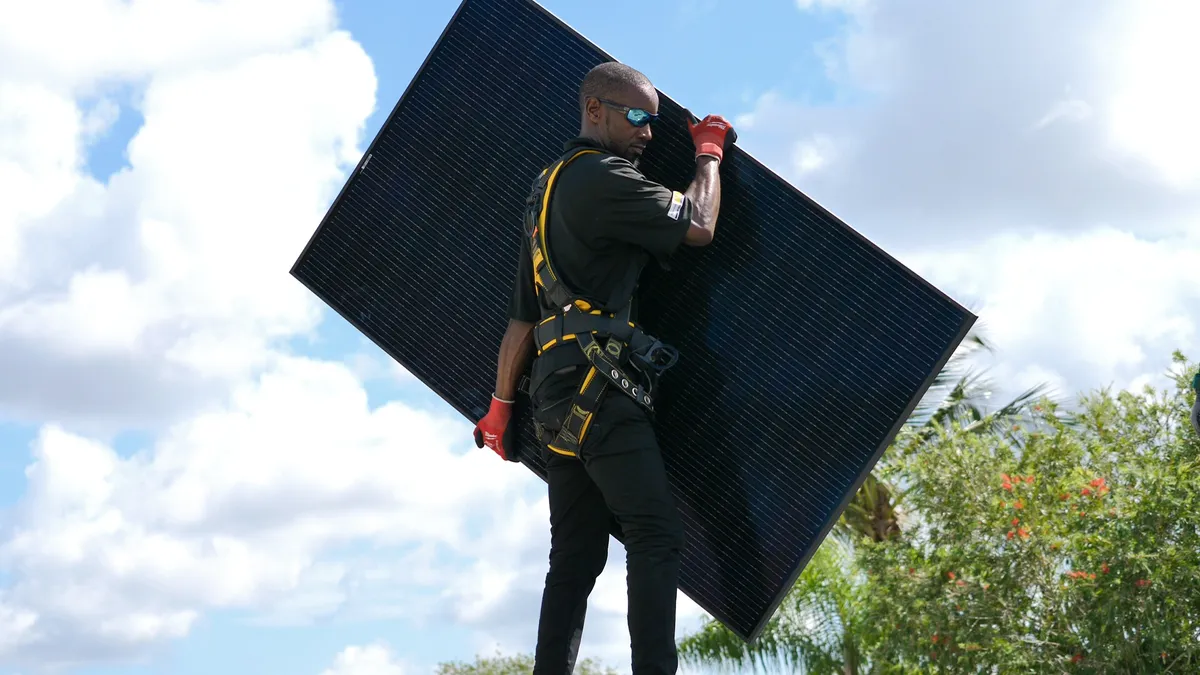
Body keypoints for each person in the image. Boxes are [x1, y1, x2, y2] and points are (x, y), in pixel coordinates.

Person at [472, 62, 734, 674]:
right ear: (595, 110)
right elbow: (698, 226)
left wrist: (502, 406)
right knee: (655, 534)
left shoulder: (547, 188)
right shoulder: (603, 176)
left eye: (654, 121)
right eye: (636, 116)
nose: (647, 131)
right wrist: (709, 156)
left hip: (553, 402)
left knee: (576, 558)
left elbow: (522, 321)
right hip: (605, 392)